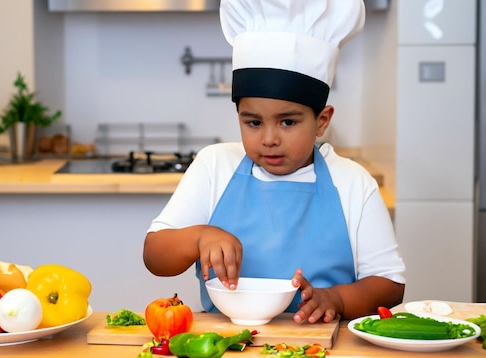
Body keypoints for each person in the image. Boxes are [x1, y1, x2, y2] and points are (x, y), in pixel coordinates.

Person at [143, 0, 405, 324]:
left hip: (322, 343)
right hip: (228, 343)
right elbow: (154, 255)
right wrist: (199, 236)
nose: (269, 139)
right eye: (253, 123)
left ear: (322, 121)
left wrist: (336, 298)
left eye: (288, 122)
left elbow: (390, 285)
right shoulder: (214, 166)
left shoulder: (352, 182)